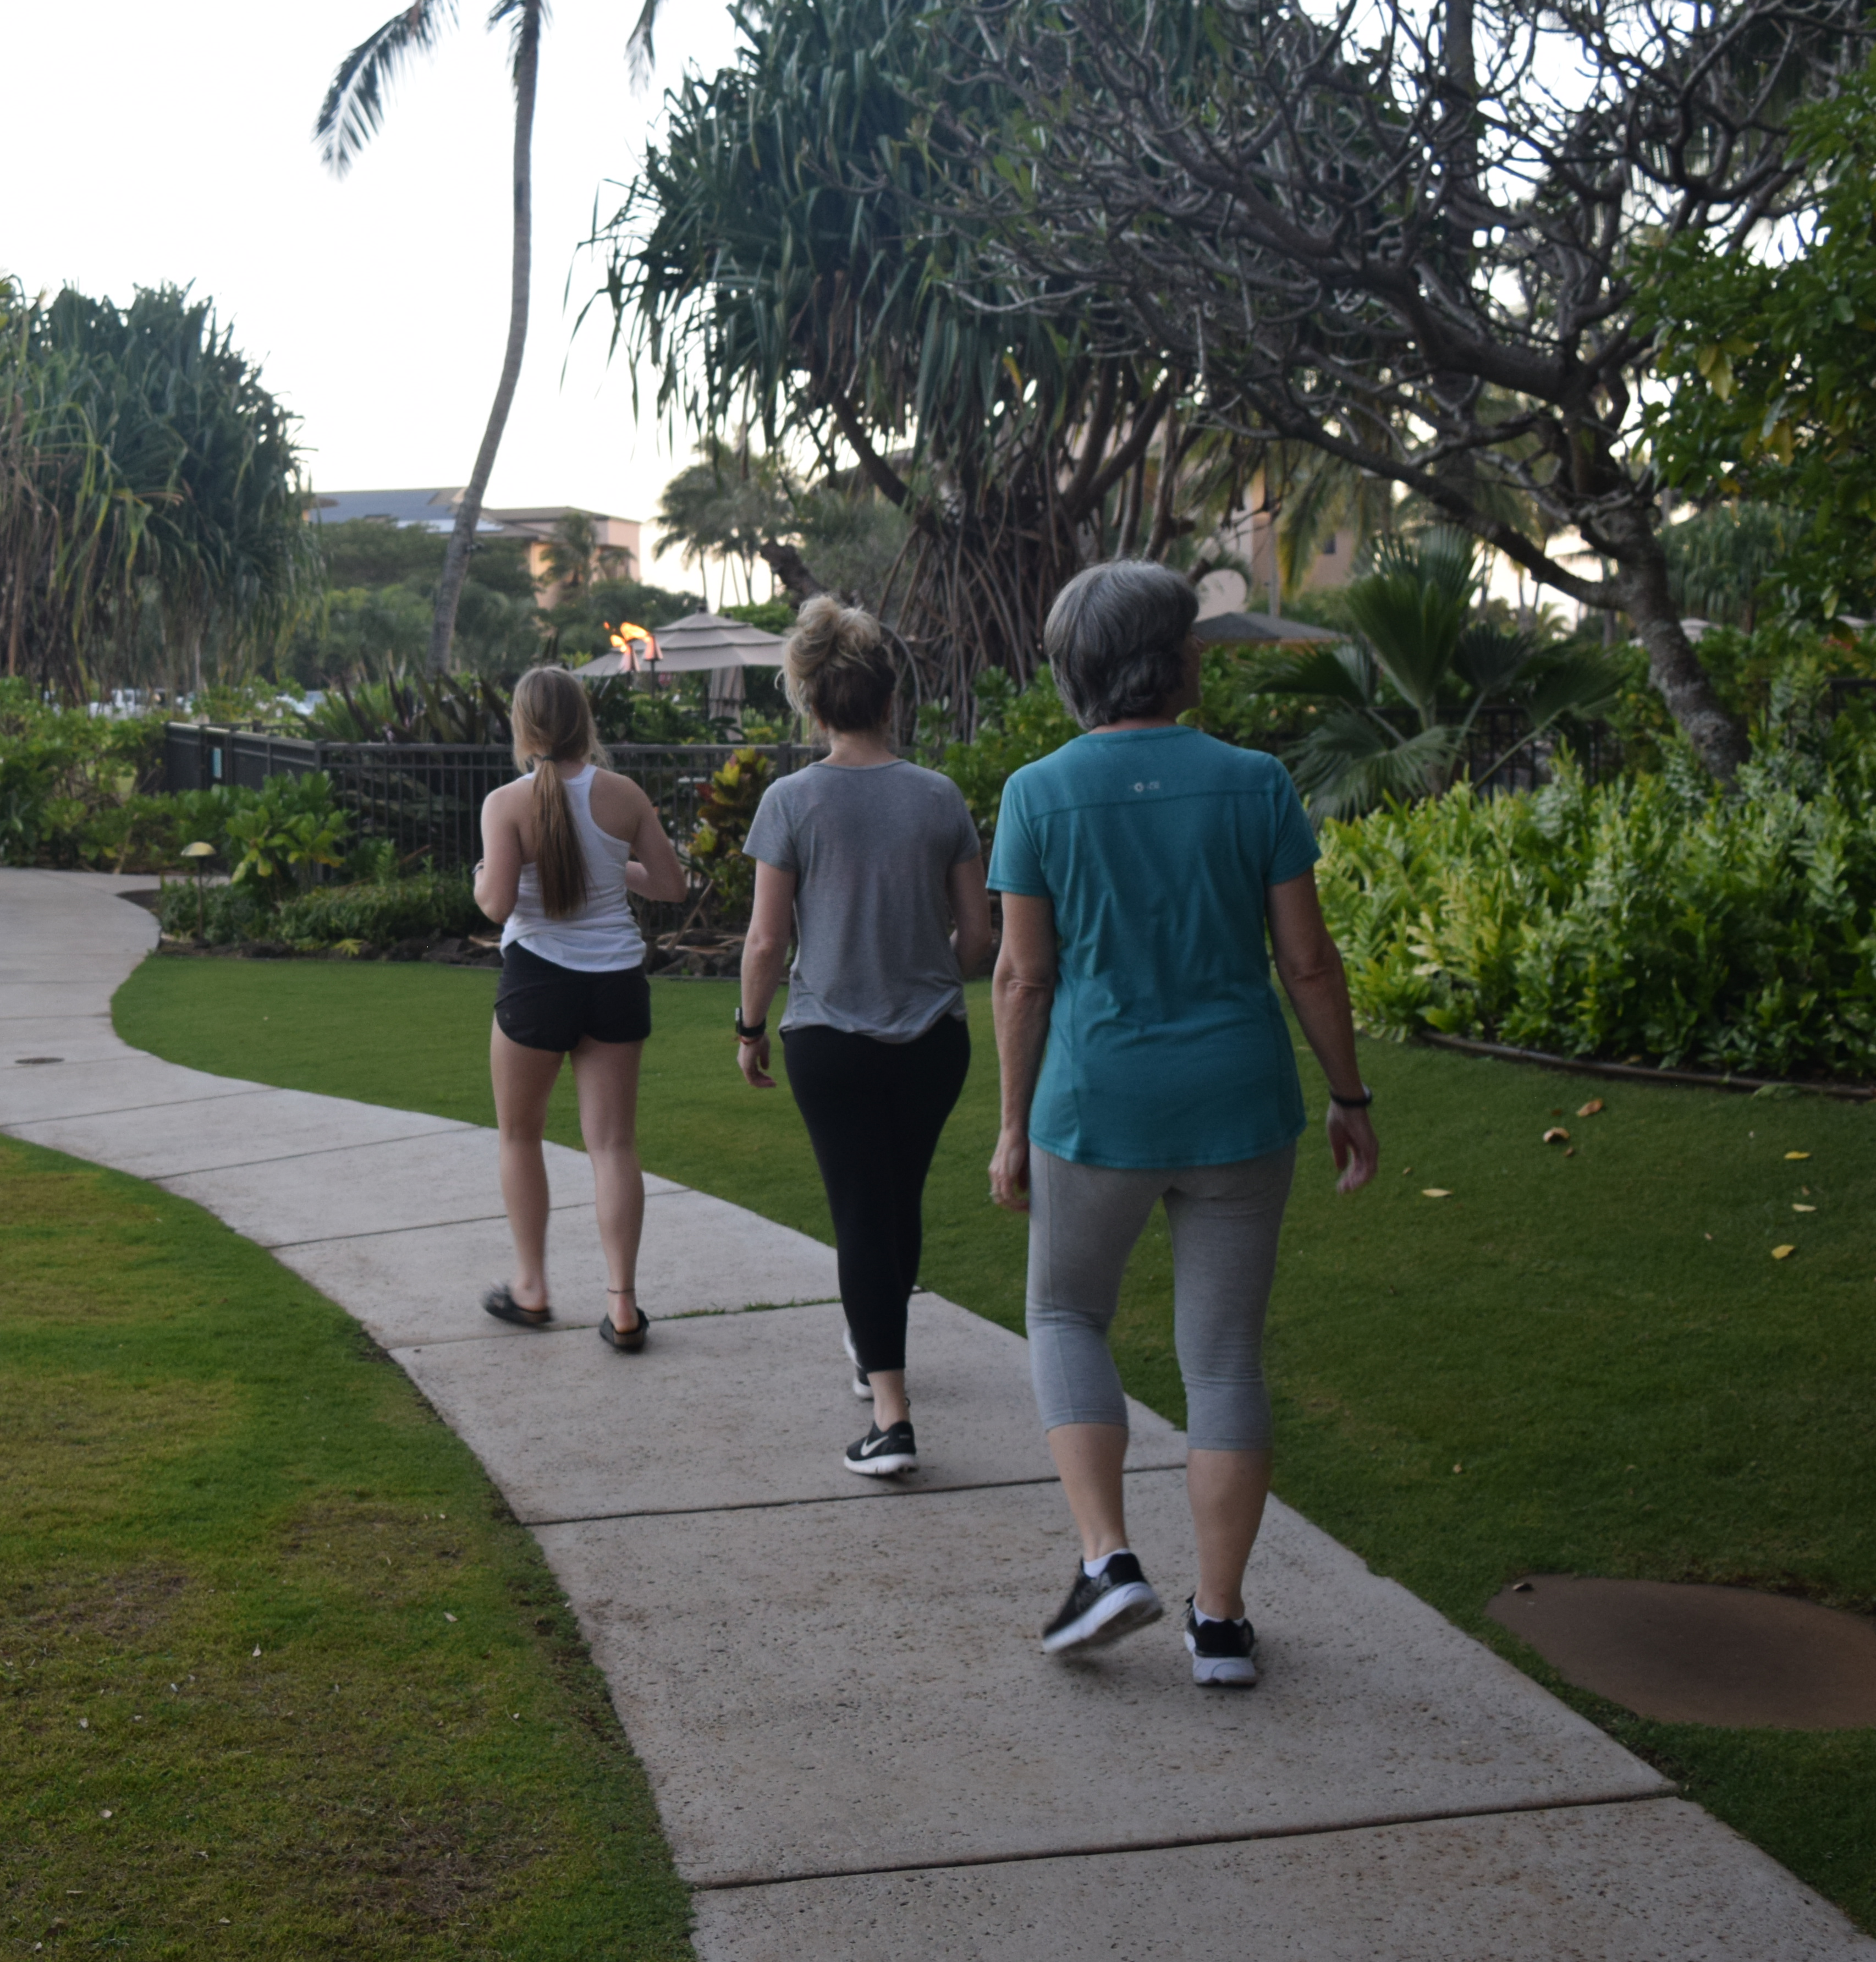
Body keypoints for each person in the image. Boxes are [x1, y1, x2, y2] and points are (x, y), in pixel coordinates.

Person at [985, 560, 1381, 1684]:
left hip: (1095, 1104)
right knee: (1223, 1361)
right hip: (1239, 1104)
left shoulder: (1038, 793)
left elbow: (1023, 977)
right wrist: (1350, 1094)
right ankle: (1220, 1625)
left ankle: (1108, 1560)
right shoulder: (1255, 783)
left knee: (1065, 1311)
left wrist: (1012, 1124)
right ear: (1171, 657)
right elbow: (1308, 960)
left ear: (1077, 669)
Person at [735, 598, 989, 1478]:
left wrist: (749, 1027)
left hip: (829, 1039)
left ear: (814, 705)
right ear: (889, 700)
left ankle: (891, 1416)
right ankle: (875, 1347)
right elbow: (979, 938)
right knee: (895, 1203)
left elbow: (766, 940)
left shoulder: (790, 800)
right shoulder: (939, 797)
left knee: (859, 1212)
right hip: (933, 1040)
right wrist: (924, 972)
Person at [472, 665, 687, 1351]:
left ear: (524, 726)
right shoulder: (623, 795)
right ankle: (623, 1306)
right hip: (615, 981)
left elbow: (497, 904)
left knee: (520, 1136)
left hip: (538, 981)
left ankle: (532, 1287)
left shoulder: (506, 803)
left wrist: (479, 879)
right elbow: (671, 885)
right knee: (614, 1145)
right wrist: (611, 865)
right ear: (582, 722)